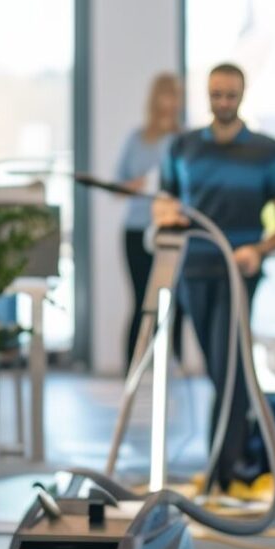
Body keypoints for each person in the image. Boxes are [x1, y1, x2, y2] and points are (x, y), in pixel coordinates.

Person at [155, 63, 275, 492]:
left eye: (230, 95)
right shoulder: (181, 148)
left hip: (238, 271)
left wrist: (259, 249)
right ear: (207, 94)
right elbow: (163, 204)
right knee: (219, 370)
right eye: (216, 95)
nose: (223, 102)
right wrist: (167, 216)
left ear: (242, 95)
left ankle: (226, 468)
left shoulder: (267, 152)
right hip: (193, 269)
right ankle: (228, 464)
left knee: (230, 366)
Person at [116, 72, 183, 363]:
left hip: (171, 230)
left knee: (172, 303)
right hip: (136, 229)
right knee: (143, 302)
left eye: (174, 95)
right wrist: (139, 184)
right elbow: (118, 184)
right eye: (164, 94)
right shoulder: (138, 139)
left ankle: (169, 363)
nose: (169, 101)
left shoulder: (184, 140)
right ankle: (133, 368)